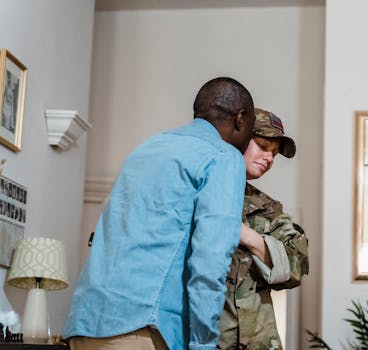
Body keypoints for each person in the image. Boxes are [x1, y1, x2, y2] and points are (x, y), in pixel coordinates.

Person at [64, 77, 256, 350]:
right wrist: (203, 345)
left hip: (84, 324)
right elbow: (210, 261)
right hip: (143, 327)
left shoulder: (148, 148)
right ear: (240, 118)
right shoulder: (223, 156)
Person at [217, 108, 309, 349]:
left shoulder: (269, 208)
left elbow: (297, 266)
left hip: (259, 342)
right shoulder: (198, 193)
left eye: (275, 153)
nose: (269, 158)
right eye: (262, 146)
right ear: (238, 140)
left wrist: (249, 237)